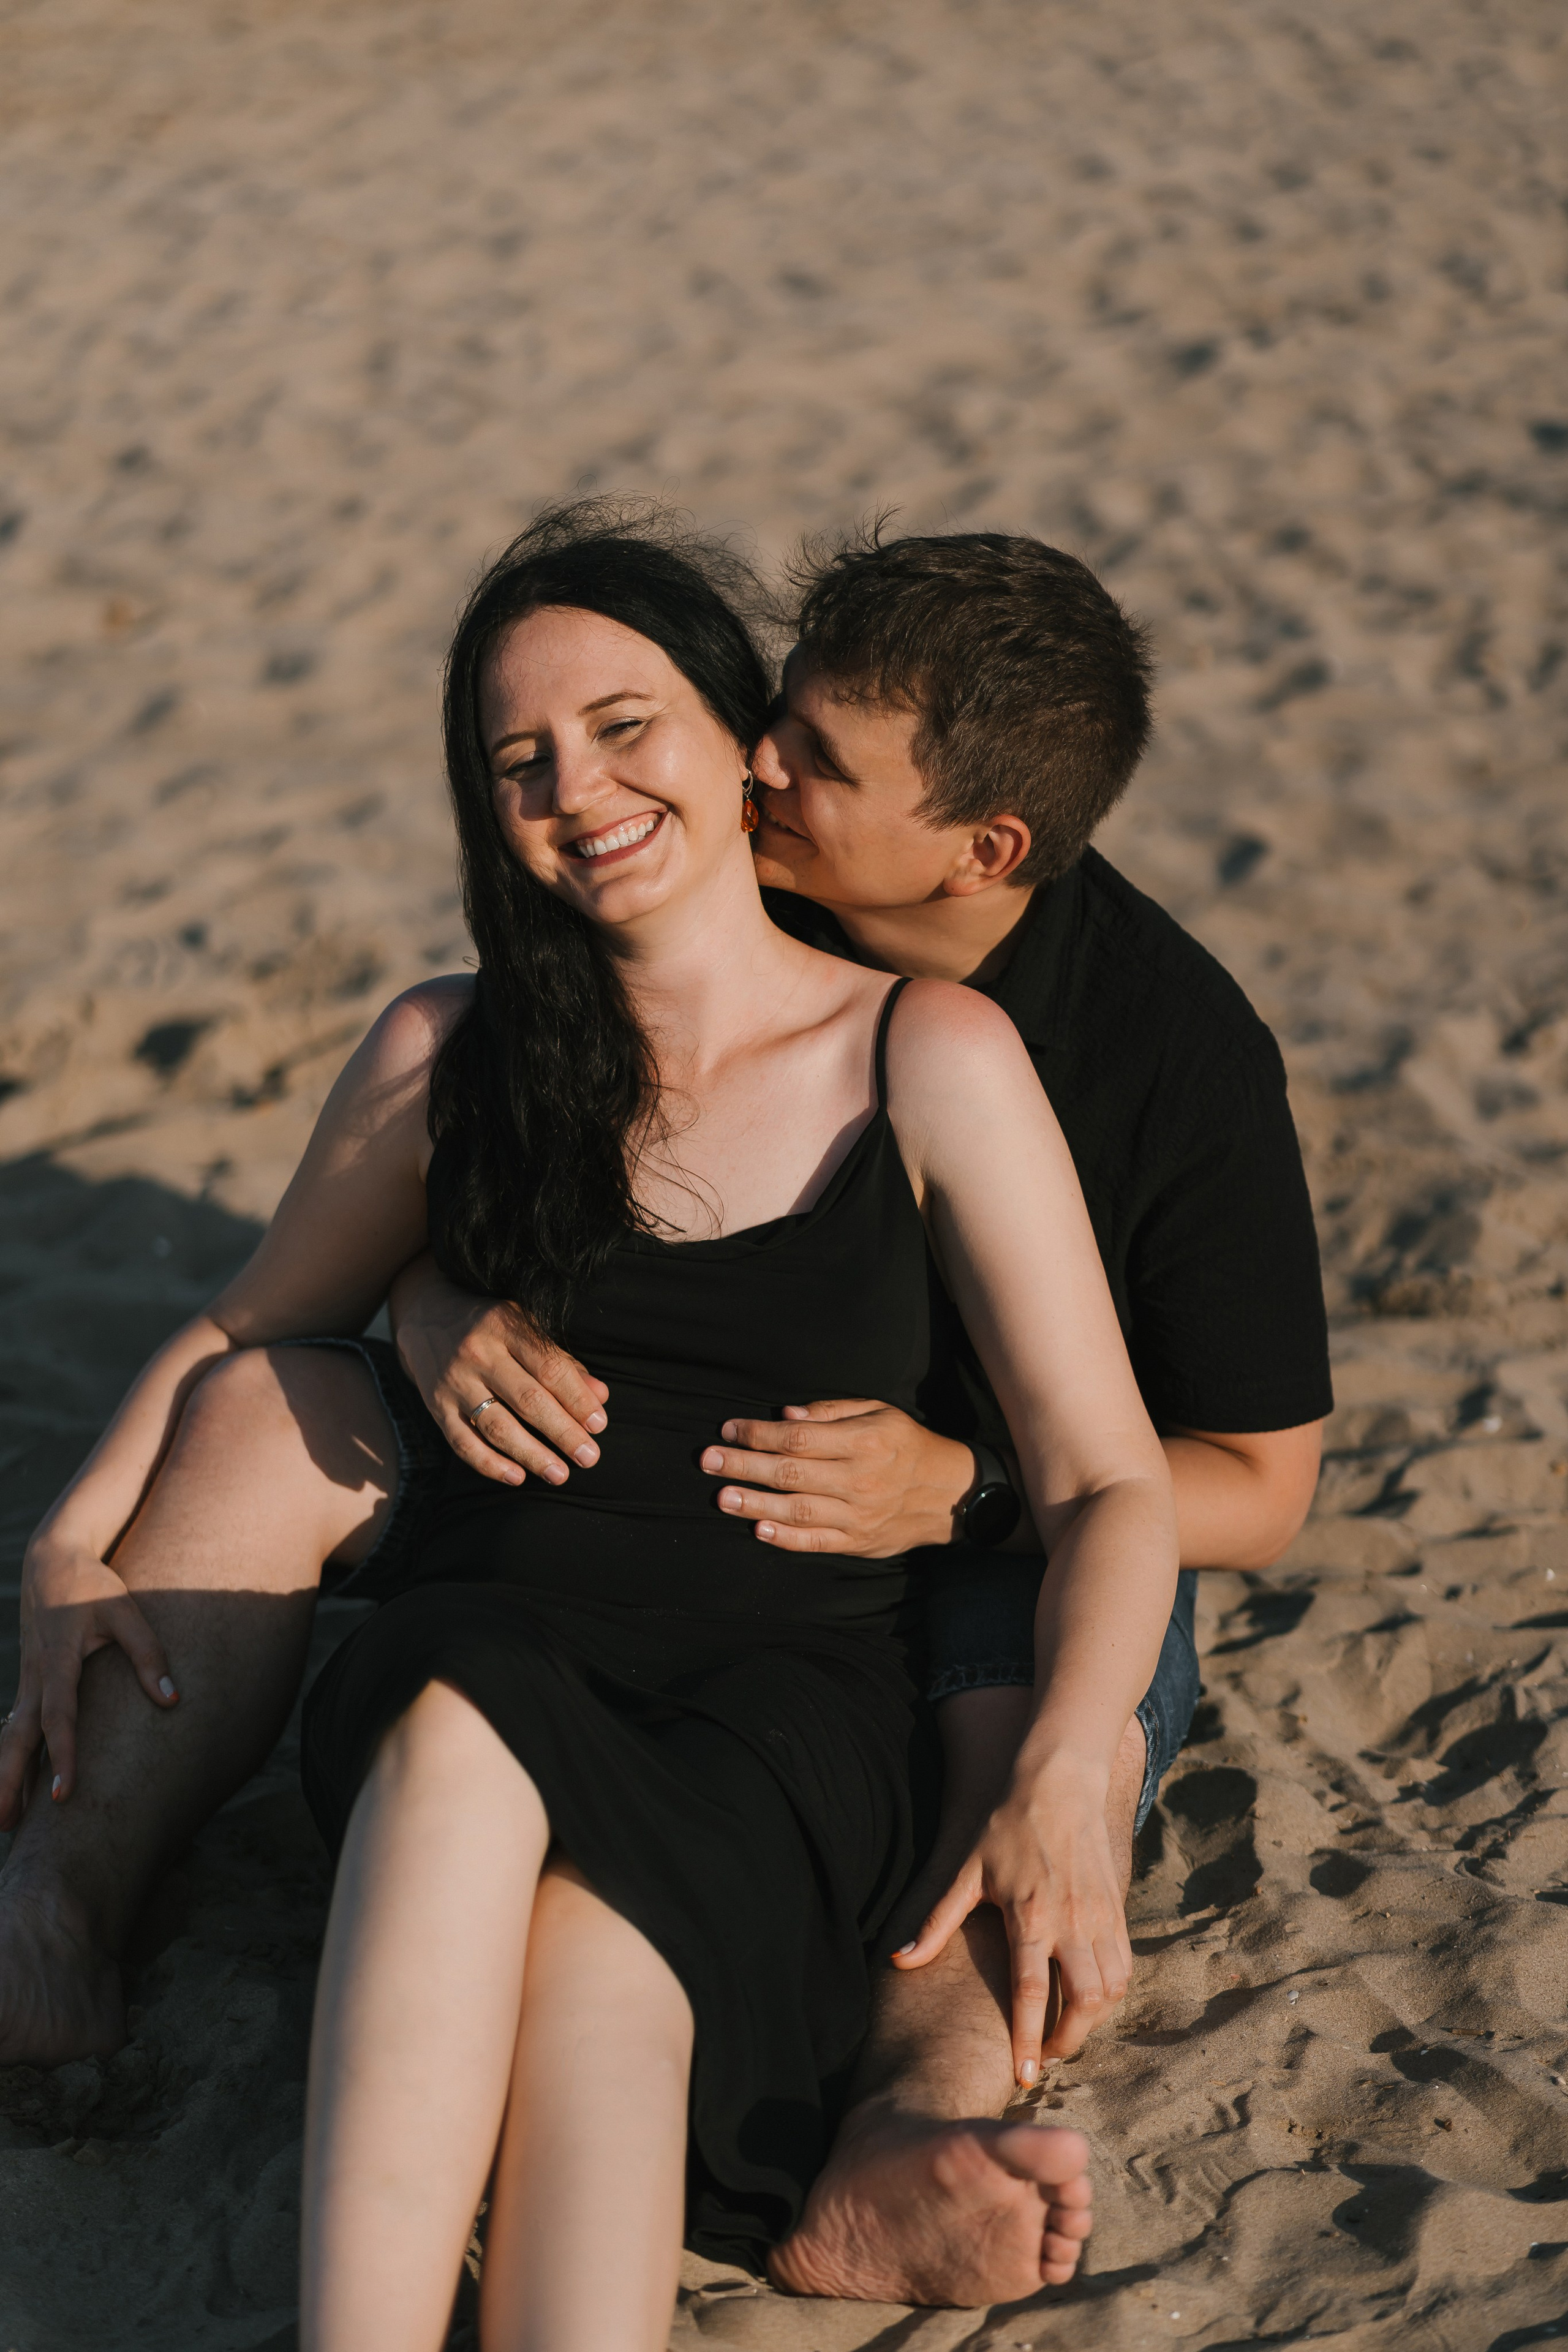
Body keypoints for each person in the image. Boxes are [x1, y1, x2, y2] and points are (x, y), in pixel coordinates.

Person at [0, 514, 1330, 2310]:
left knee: (984, 1718)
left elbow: (1170, 1482)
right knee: (464, 1724)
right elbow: (276, 1297)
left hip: (847, 1630)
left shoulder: (1060, 1045)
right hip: (526, 1606)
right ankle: (66, 1909)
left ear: (976, 845)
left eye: (687, 736)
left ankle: (899, 2122)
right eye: (525, 760)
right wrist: (407, 1305)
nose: (758, 770)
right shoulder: (517, 1008)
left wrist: (978, 1523)